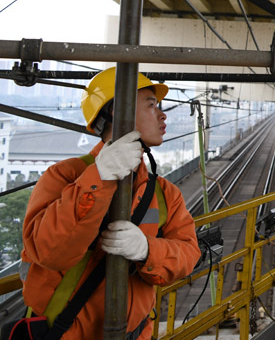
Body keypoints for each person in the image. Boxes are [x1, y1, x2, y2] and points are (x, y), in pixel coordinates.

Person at [19, 67, 200, 340]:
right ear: (118, 110)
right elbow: (50, 252)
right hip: (64, 333)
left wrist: (147, 250)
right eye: (152, 105)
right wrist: (98, 179)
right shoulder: (65, 176)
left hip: (135, 333)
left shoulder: (164, 192)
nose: (163, 115)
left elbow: (188, 255)